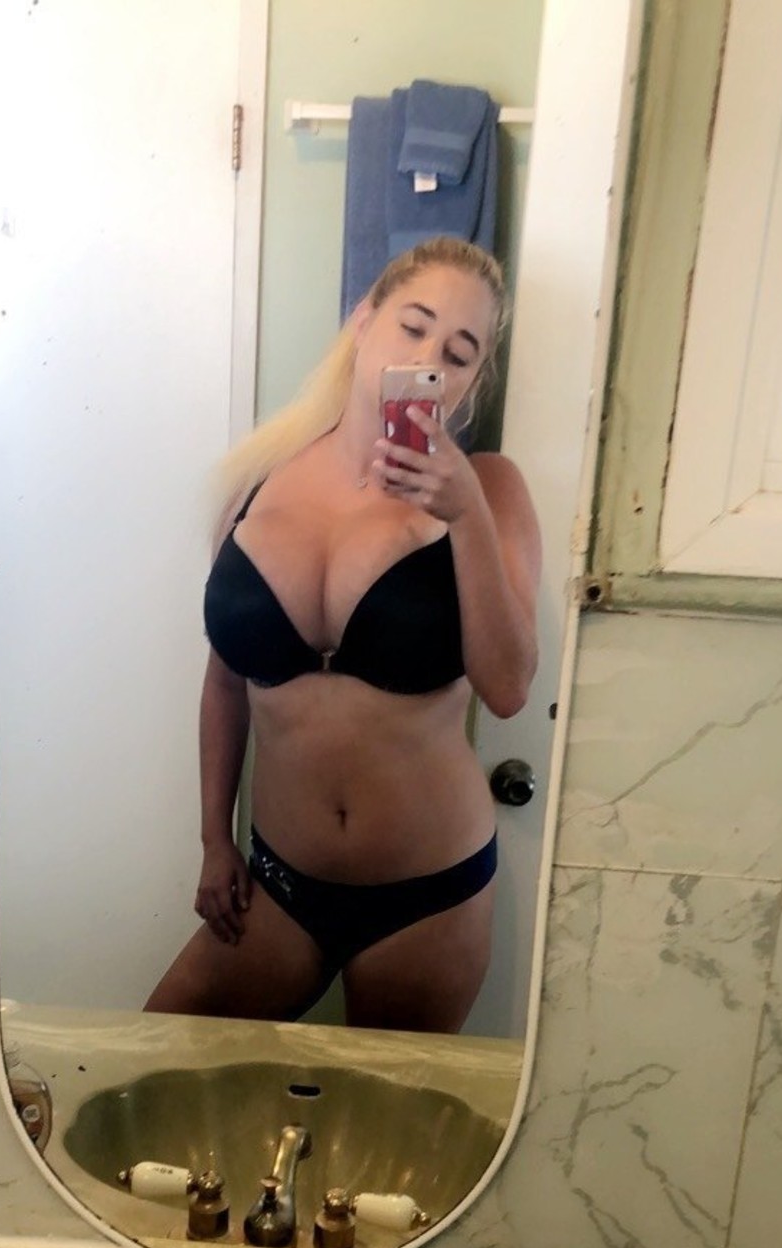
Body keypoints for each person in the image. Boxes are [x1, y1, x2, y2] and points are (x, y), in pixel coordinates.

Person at [145, 236, 541, 1034]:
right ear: (363, 322)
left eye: (458, 352)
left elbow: (507, 688)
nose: (428, 358)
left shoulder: (490, 488)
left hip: (428, 900)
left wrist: (463, 513)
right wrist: (213, 839)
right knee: (153, 1057)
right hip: (277, 887)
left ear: (472, 380)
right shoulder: (259, 481)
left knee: (387, 1116)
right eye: (414, 326)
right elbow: (226, 680)